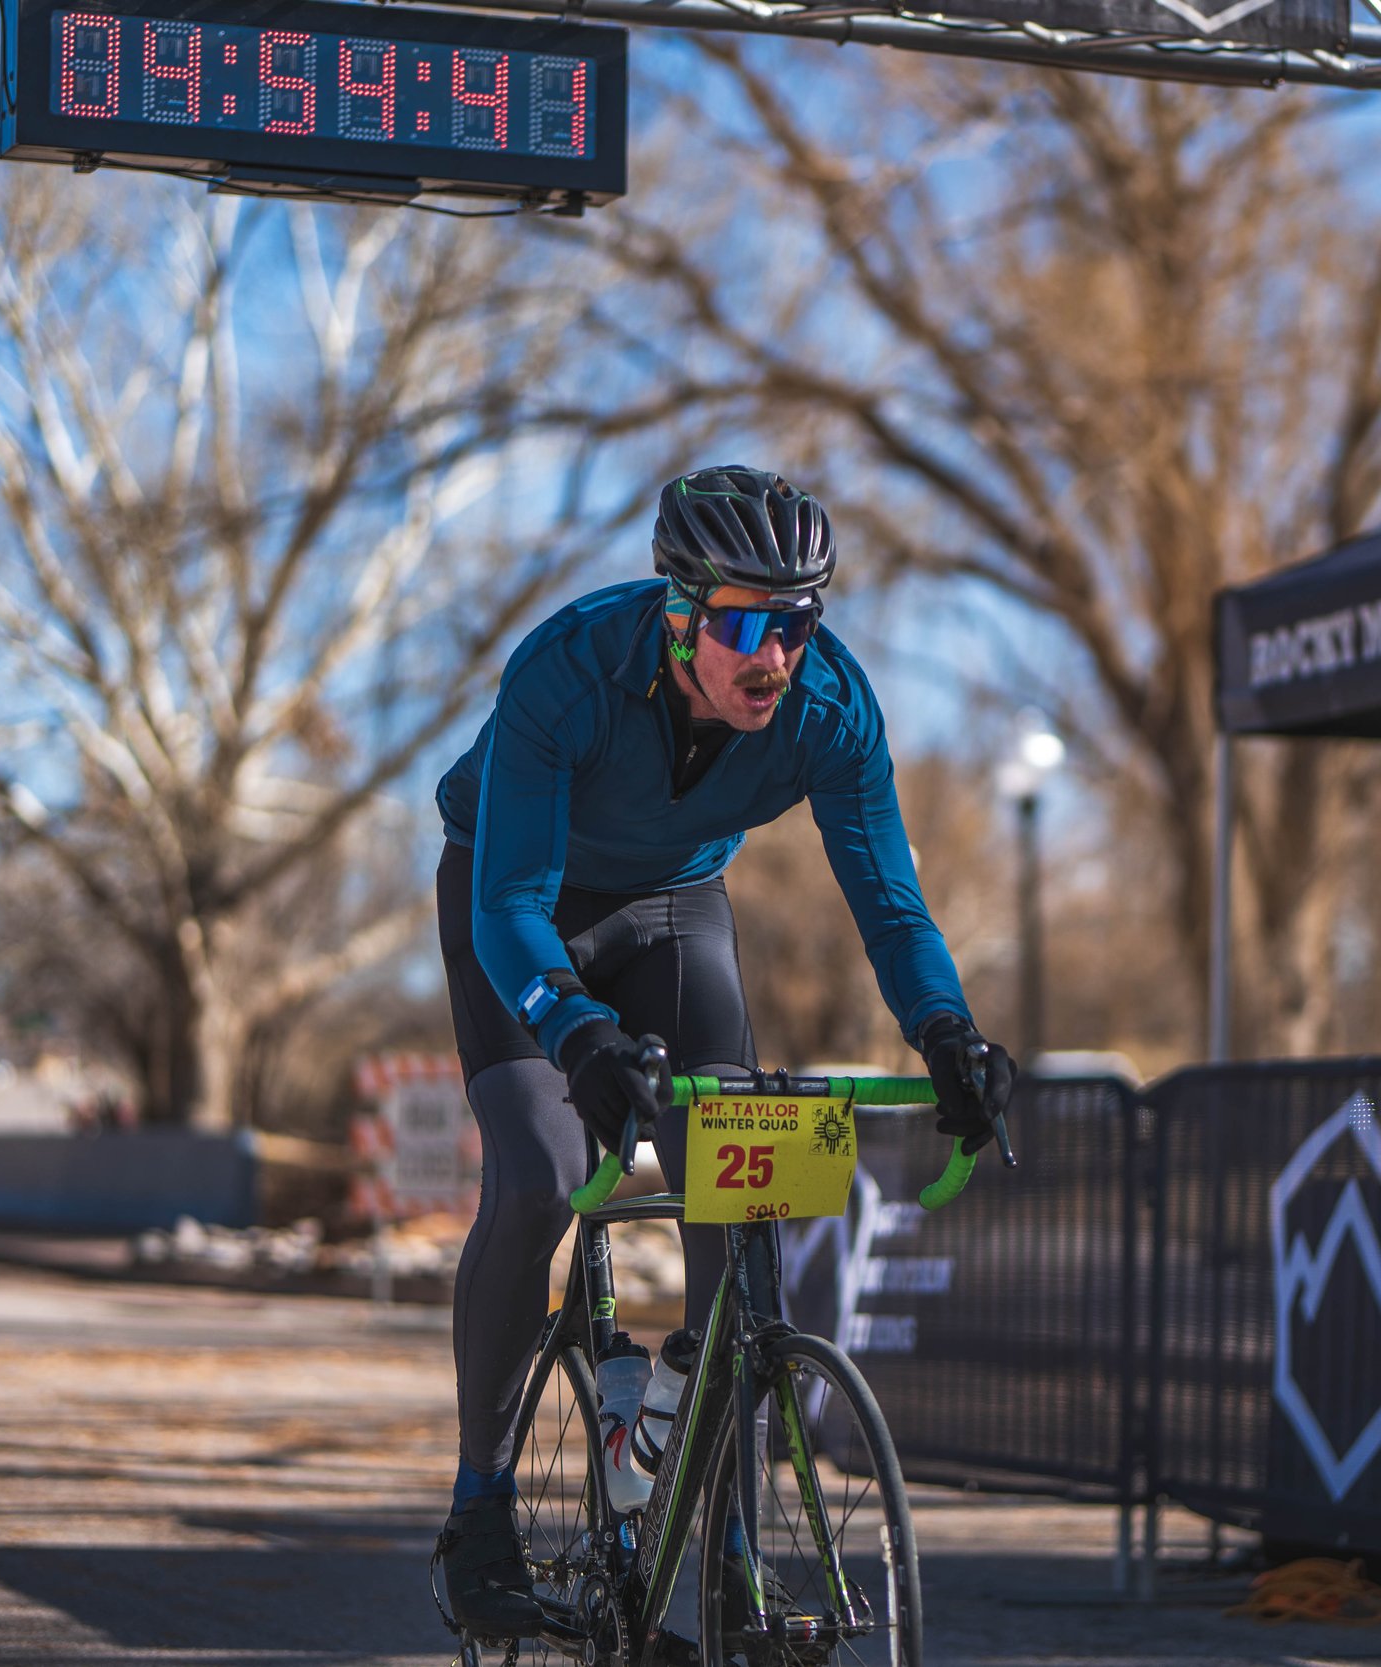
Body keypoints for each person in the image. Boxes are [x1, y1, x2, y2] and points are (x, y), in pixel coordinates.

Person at [429, 464, 1015, 1643]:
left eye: (798, 620)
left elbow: (891, 906)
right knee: (542, 1171)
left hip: (676, 910)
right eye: (746, 621)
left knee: (741, 1181)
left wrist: (946, 1028)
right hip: (518, 897)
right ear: (681, 613)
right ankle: (480, 1504)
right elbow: (509, 904)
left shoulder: (829, 708)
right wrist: (573, 1027)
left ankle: (718, 1508)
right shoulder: (571, 667)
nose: (775, 653)